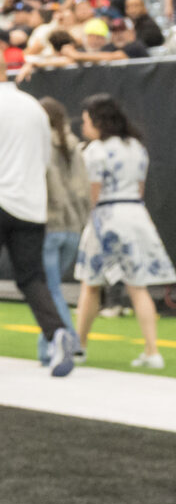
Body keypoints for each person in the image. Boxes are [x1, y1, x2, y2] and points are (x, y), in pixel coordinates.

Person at [0, 45, 78, 367]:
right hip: (29, 206)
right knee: (31, 278)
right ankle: (57, 332)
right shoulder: (34, 108)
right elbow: (43, 159)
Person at [72, 93, 171, 371]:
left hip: (107, 215)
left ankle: (80, 346)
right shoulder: (136, 147)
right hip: (136, 215)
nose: (83, 125)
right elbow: (140, 188)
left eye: (86, 120)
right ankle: (153, 351)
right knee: (138, 287)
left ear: (97, 121)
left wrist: (91, 222)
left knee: (91, 284)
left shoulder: (95, 150)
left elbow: (93, 192)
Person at [40, 95, 93, 339]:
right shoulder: (75, 146)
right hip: (73, 228)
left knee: (50, 291)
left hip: (51, 225)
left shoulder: (42, 146)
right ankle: (48, 348)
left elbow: (52, 188)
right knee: (54, 289)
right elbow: (84, 190)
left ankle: (69, 341)